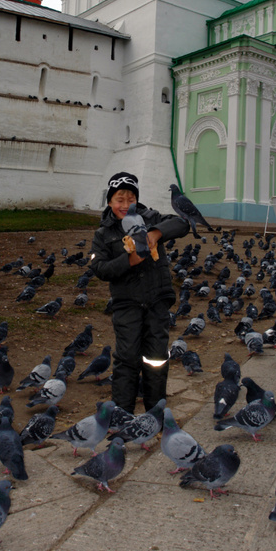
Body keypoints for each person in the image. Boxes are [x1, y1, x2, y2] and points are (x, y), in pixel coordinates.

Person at [90, 172, 189, 413]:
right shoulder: (104, 233)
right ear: (110, 201)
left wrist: (155, 233)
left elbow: (182, 223)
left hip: (156, 300)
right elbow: (99, 268)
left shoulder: (151, 216)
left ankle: (155, 413)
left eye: (130, 198)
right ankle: (123, 414)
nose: (125, 205)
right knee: (127, 359)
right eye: (119, 199)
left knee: (156, 359)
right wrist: (130, 260)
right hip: (127, 303)